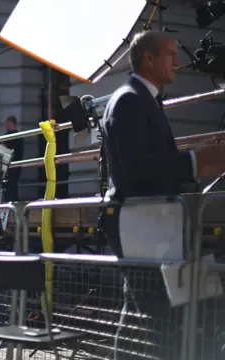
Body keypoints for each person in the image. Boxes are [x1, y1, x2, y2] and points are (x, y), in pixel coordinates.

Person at [101, 30, 225, 359]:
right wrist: (197, 161)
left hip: (150, 223)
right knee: (153, 312)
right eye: (171, 54)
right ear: (149, 58)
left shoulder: (140, 98)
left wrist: (198, 156)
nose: (178, 61)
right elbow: (138, 168)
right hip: (141, 223)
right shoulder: (130, 99)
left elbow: (148, 161)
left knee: (150, 311)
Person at [1, 115, 24, 202]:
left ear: (11, 123)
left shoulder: (17, 136)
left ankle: (13, 201)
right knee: (7, 185)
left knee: (12, 184)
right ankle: (11, 200)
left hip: (14, 164)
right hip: (7, 164)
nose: (5, 125)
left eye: (7, 123)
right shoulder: (7, 135)